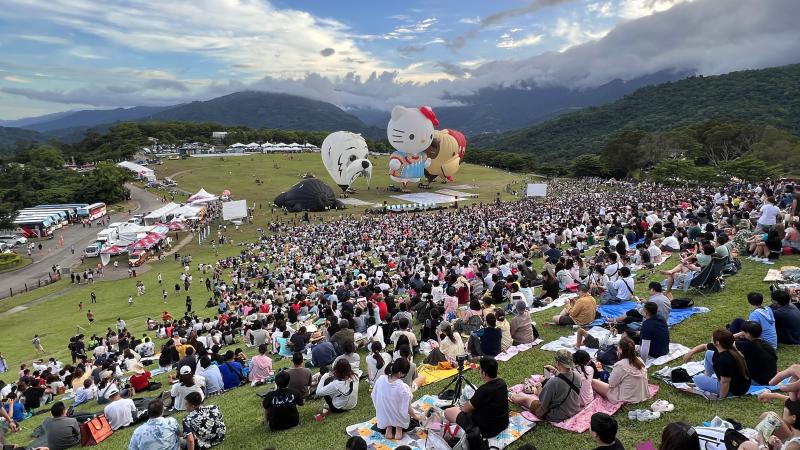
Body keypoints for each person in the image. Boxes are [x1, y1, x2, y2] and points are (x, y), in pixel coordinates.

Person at [444, 357, 509, 438]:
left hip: (486, 430)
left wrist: (459, 409)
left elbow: (465, 409)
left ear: (484, 373)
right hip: (503, 424)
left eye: (480, 370)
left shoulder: (483, 390)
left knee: (448, 412)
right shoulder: (502, 383)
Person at [510, 349, 581, 422]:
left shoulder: (553, 382)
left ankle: (510, 395)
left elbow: (543, 402)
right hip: (574, 409)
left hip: (558, 414)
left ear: (557, 363)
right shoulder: (577, 375)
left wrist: (539, 387)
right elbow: (566, 380)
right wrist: (556, 372)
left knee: (527, 399)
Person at [684, 329, 751, 398]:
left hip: (734, 390)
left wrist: (721, 398)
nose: (711, 338)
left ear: (718, 342)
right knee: (708, 353)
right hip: (742, 384)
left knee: (697, 379)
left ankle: (708, 381)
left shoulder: (724, 360)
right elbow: (704, 347)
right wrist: (691, 352)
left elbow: (725, 382)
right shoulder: (725, 347)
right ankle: (707, 377)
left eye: (713, 337)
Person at [371, 358, 420, 440]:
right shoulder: (403, 387)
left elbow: (374, 395)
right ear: (401, 373)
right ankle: (398, 429)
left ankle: (388, 428)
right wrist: (415, 416)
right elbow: (407, 408)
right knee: (400, 414)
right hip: (398, 418)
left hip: (384, 416)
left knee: (391, 410)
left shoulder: (380, 379)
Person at [591, 336, 649, 403]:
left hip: (627, 398)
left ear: (621, 350)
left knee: (593, 381)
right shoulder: (640, 360)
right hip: (642, 395)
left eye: (618, 347)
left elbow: (611, 384)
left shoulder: (620, 365)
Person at [733, 321, 777, 386]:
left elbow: (725, 340)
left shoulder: (748, 345)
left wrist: (739, 334)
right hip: (772, 378)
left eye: (743, 332)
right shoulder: (767, 344)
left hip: (759, 381)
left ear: (748, 334)